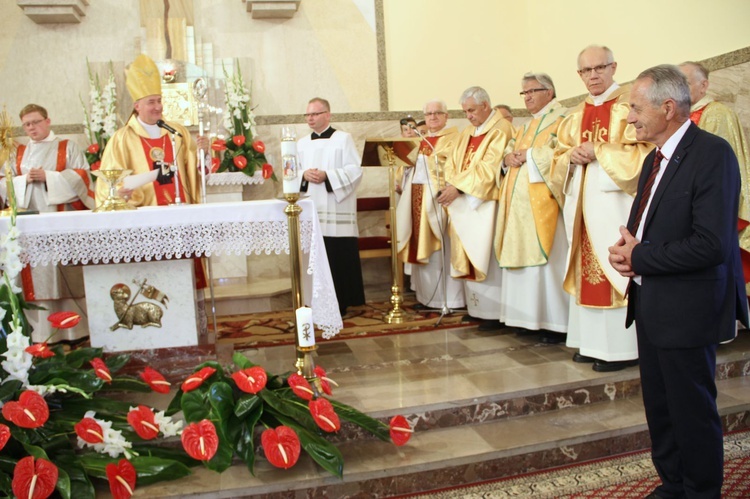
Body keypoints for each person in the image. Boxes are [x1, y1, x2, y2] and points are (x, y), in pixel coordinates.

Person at [609, 64, 747, 499]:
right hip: (652, 302)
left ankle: (701, 491)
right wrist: (628, 253)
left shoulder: (712, 154)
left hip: (688, 307)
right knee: (662, 407)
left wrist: (642, 256)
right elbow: (646, 227)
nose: (629, 116)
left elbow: (711, 243)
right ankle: (674, 483)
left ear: (667, 107)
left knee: (691, 409)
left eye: (635, 107)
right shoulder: (654, 157)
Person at [553, 45, 652, 371]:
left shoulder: (631, 107)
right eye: (586, 70)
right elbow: (559, 155)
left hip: (614, 206)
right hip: (582, 206)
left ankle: (621, 350)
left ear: (613, 67)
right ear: (579, 74)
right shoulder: (574, 115)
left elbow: (646, 153)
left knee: (613, 270)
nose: (593, 75)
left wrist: (600, 151)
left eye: (599, 68)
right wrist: (570, 157)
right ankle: (591, 343)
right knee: (586, 271)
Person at [0, 104, 94, 343]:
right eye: (27, 124)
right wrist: (23, 181)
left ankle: (74, 331)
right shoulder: (18, 153)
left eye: (36, 122)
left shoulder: (67, 147)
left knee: (62, 275)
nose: (31, 127)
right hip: (29, 226)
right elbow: (4, 182)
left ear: (47, 121)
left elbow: (83, 176)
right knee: (36, 275)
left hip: (60, 224)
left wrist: (49, 178)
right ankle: (41, 334)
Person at [495, 73, 569, 343]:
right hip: (518, 206)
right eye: (523, 93)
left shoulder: (563, 119)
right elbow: (511, 150)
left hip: (543, 204)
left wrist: (532, 155)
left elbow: (563, 155)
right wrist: (507, 158)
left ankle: (553, 323)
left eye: (531, 91)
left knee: (547, 264)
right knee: (522, 262)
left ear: (549, 92)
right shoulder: (525, 126)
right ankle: (525, 319)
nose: (526, 97)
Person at [441, 86, 513, 330]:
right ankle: (476, 309)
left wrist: (459, 188)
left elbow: (490, 167)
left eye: (471, 110)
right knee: (469, 253)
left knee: (485, 255)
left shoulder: (502, 129)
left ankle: (493, 313)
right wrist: (453, 185)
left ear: (485, 106)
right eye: (465, 112)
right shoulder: (467, 133)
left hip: (486, 204)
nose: (468, 116)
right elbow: (451, 163)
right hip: (464, 203)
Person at [679, 61, 750, 299]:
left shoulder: (717, 113)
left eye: (685, 83)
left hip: (709, 200)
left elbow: (718, 168)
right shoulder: (679, 117)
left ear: (704, 85)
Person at [96, 54, 203, 207]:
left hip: (181, 212)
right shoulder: (122, 139)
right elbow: (110, 182)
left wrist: (203, 154)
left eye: (159, 101)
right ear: (137, 106)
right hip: (144, 215)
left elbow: (193, 170)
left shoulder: (177, 132)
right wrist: (120, 194)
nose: (158, 107)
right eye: (151, 102)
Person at [297, 97, 365, 316]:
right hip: (311, 208)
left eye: (315, 114)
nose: (310, 118)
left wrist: (328, 176)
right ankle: (315, 302)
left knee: (337, 255)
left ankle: (342, 301)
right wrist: (303, 175)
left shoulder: (343, 139)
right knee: (315, 255)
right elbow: (291, 173)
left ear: (328, 114)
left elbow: (355, 170)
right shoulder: (301, 143)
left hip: (337, 209)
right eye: (307, 114)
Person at [396, 99, 464, 310]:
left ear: (446, 116)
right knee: (422, 250)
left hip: (439, 201)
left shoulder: (455, 138)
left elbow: (454, 166)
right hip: (416, 198)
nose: (433, 117)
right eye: (428, 114)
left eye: (437, 113)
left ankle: (448, 300)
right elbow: (405, 168)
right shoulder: (420, 140)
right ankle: (426, 298)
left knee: (441, 252)